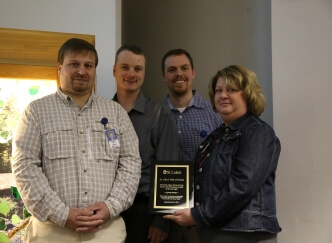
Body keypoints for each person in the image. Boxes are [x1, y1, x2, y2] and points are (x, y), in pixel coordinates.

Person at [12, 38, 142, 243]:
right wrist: (61, 214)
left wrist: (111, 206)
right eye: (74, 64)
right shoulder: (36, 112)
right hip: (52, 232)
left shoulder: (116, 113)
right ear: (59, 68)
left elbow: (131, 163)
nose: (82, 71)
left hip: (106, 231)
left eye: (88, 65)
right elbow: (24, 167)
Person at [164, 65, 282, 243]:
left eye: (231, 90)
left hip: (245, 233)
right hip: (215, 230)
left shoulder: (257, 132)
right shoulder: (217, 136)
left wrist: (198, 214)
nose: (223, 95)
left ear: (248, 94)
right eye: (218, 90)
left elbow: (242, 187)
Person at [113, 44, 179, 243]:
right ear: (114, 70)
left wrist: (162, 220)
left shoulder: (160, 114)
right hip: (109, 213)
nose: (131, 73)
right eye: (125, 67)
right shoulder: (102, 113)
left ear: (144, 73)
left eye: (138, 69)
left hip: (145, 213)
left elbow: (170, 169)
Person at [161, 49, 222, 243]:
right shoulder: (155, 115)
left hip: (204, 214)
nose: (178, 74)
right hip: (165, 216)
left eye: (184, 68)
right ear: (163, 76)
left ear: (193, 72)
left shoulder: (215, 115)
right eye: (172, 69)